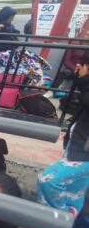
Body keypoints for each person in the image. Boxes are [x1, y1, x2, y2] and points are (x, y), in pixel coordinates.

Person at [36, 62, 89, 215]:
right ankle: (69, 218)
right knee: (76, 188)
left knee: (47, 180)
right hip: (79, 142)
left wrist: (84, 79)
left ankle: (56, 221)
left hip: (84, 150)